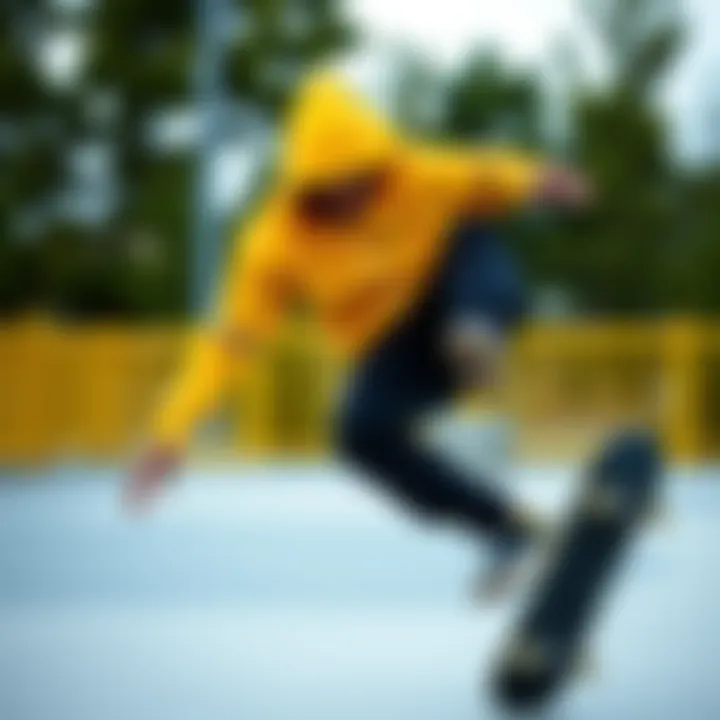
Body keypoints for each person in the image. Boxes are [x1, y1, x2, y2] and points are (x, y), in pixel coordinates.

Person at [125, 70, 592, 596]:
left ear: (376, 163)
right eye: (334, 191)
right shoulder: (272, 245)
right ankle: (507, 529)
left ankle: (475, 332)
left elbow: (485, 174)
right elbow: (229, 342)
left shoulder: (412, 172)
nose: (353, 200)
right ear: (305, 185)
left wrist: (541, 182)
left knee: (470, 231)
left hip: (458, 292)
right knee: (358, 434)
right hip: (396, 346)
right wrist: (170, 432)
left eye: (362, 182)